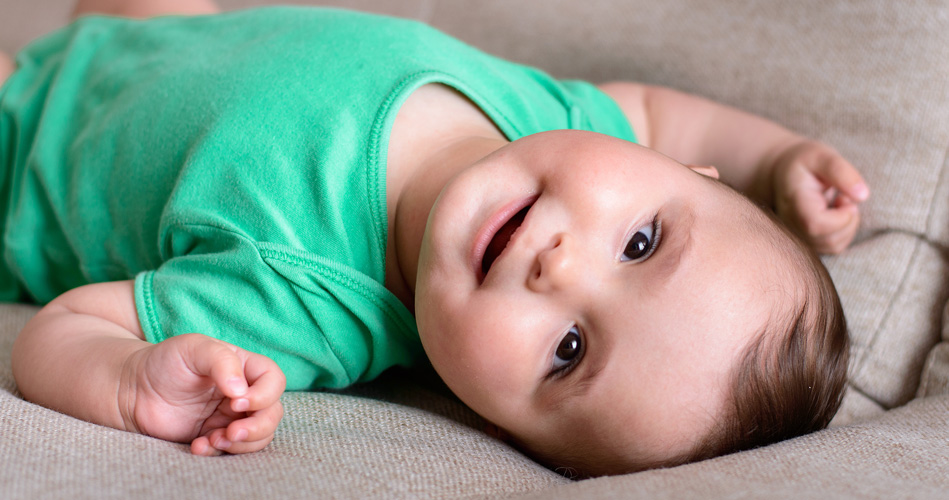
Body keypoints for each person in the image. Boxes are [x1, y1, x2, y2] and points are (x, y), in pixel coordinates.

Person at [0, 0, 864, 477]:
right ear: (677, 169)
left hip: (26, 143)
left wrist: (126, 378)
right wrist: (773, 154)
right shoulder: (553, 121)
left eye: (567, 350)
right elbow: (652, 107)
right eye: (640, 244)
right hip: (159, 34)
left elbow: (65, 331)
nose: (558, 267)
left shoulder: (308, 305)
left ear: (495, 424)